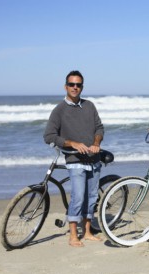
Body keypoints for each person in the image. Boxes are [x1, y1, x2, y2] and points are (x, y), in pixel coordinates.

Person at [44, 70, 104, 247]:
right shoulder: (59, 110)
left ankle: (87, 232)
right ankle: (73, 236)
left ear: (82, 87)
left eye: (78, 85)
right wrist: (72, 143)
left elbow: (100, 128)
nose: (75, 87)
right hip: (75, 161)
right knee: (78, 197)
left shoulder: (89, 106)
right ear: (66, 86)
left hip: (94, 159)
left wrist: (96, 142)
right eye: (72, 84)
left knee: (91, 197)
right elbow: (49, 136)